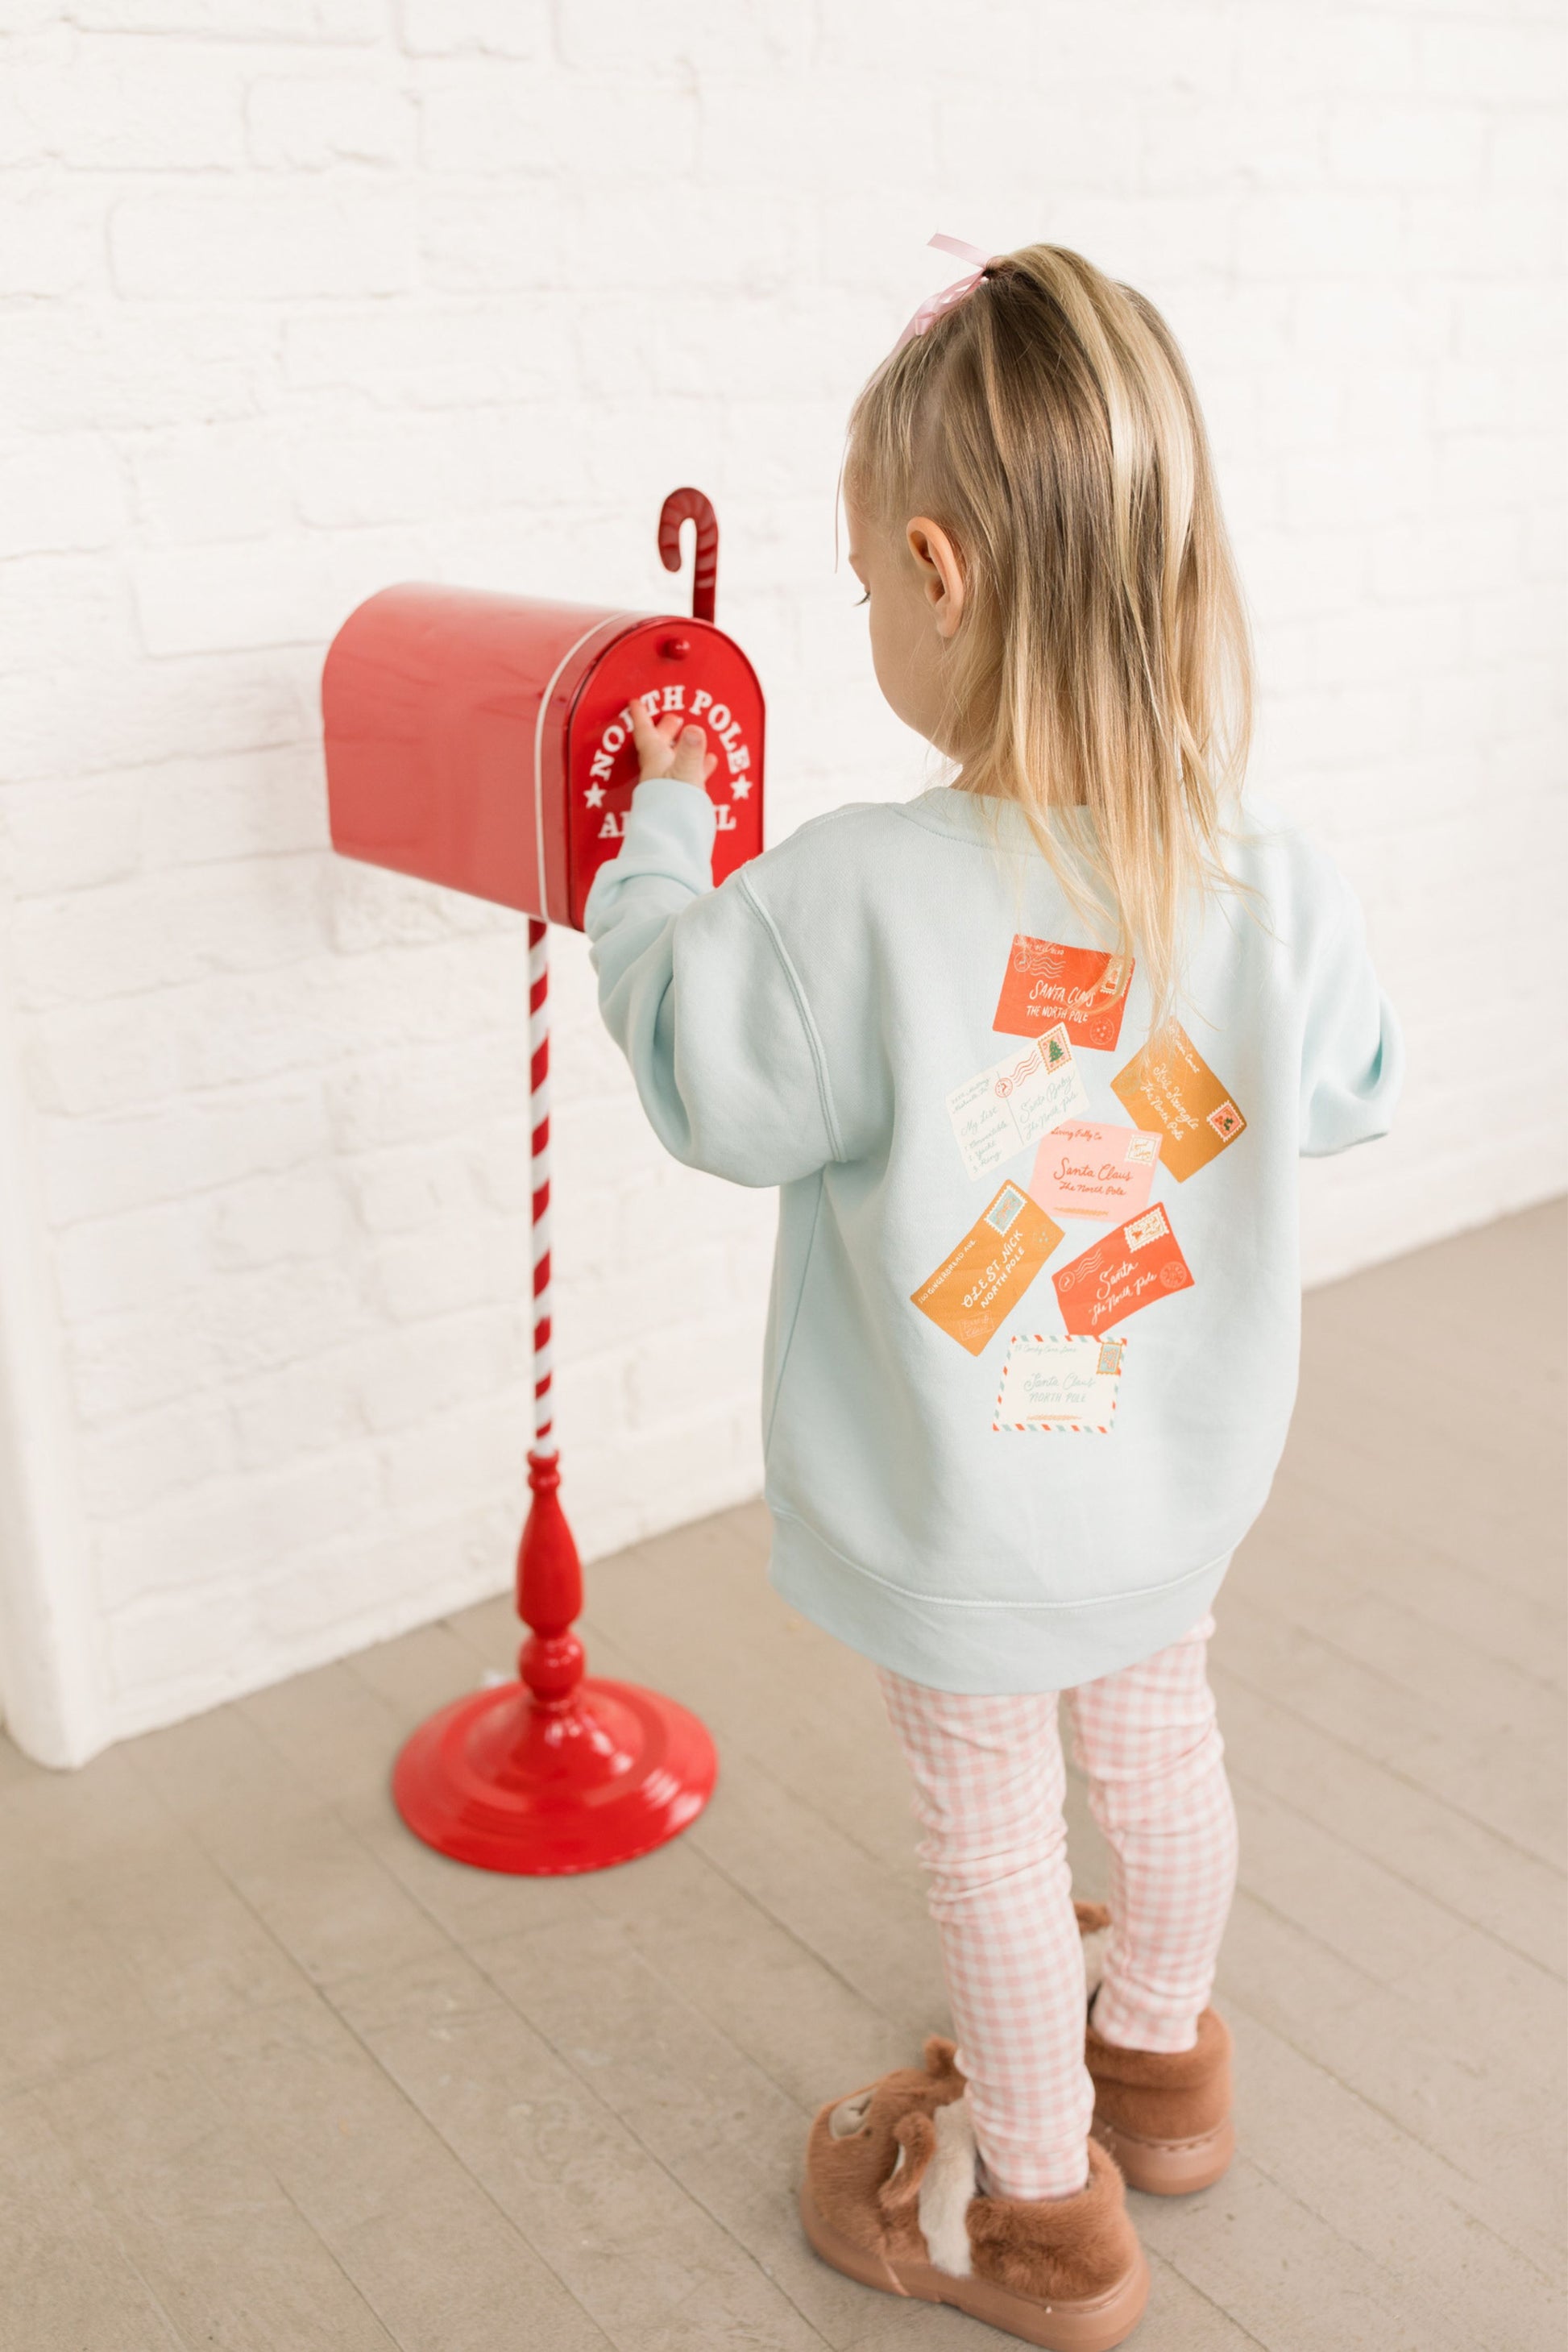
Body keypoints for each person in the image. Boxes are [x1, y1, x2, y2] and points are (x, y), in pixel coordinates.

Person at [583, 240, 1401, 2349]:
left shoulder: (846, 899)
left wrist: (659, 822)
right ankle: (1161, 2058)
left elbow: (699, 1064)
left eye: (859, 581)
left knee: (986, 1840)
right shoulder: (1258, 869)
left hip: (967, 1506)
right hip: (1159, 1480)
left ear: (937, 576)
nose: (865, 610)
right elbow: (1352, 1082)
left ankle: (1034, 2205)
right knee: (1157, 1760)